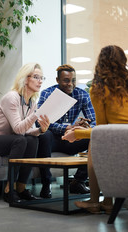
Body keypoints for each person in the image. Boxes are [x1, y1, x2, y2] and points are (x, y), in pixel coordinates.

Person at [62, 45, 128, 214]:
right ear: (123, 63)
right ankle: (108, 202)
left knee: (94, 144)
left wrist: (77, 133)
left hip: (127, 140)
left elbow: (102, 130)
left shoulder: (99, 88)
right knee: (100, 143)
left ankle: (95, 201)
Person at [0, 63, 50, 203]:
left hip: (9, 139)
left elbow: (27, 130)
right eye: (36, 77)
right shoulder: (12, 97)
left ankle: (21, 188)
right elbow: (18, 129)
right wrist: (36, 114)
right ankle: (9, 189)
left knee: (33, 139)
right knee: (21, 140)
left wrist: (40, 130)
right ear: (25, 78)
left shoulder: (31, 102)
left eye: (42, 78)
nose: (40, 81)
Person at [36, 64, 96, 199]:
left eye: (73, 80)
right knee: (44, 135)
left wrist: (82, 128)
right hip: (53, 138)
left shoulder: (82, 95)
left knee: (95, 137)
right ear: (58, 80)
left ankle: (78, 182)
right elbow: (40, 121)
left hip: (72, 138)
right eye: (66, 80)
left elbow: (94, 121)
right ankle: (46, 184)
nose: (70, 84)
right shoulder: (47, 93)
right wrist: (65, 128)